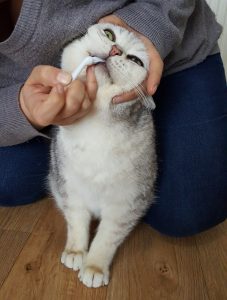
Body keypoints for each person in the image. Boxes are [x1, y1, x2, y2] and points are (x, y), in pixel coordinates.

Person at [0, 0, 226, 237]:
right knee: (8, 180)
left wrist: (151, 24)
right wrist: (22, 108)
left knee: (189, 210)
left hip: (173, 46)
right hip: (17, 85)